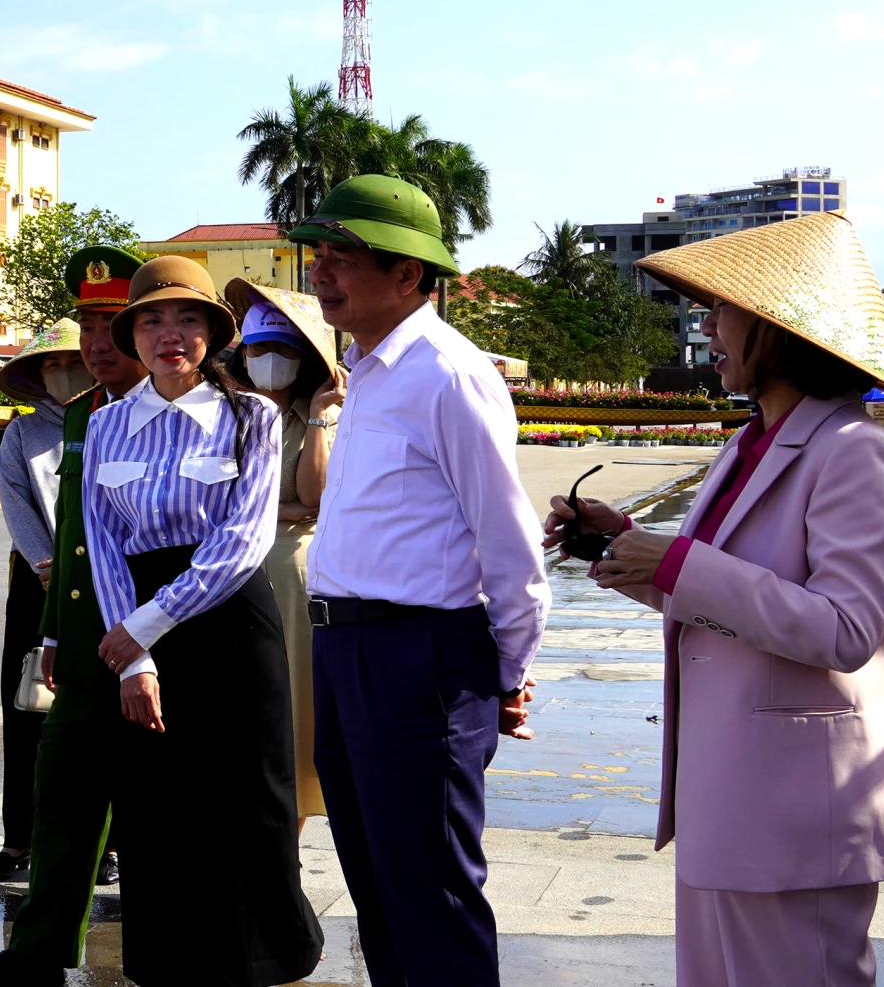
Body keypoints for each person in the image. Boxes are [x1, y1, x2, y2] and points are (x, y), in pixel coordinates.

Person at [549, 211, 884, 987]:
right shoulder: (748, 442)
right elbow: (720, 599)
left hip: (796, 812)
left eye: (722, 308)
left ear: (780, 325)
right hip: (728, 797)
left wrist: (678, 563)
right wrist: (624, 544)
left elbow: (844, 628)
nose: (707, 325)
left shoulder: (854, 452)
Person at [287, 175, 548, 987]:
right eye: (318, 254)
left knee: (432, 895)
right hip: (345, 650)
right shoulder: (365, 372)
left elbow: (510, 548)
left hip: (418, 656)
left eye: (343, 256)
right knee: (378, 886)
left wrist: (505, 674)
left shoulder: (447, 374)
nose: (321, 271)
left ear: (407, 273)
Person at [87, 255, 322, 987]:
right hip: (137, 628)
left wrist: (146, 625)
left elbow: (243, 542)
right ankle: (167, 956)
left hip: (231, 620)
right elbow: (103, 543)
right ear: (132, 335)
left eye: (188, 318)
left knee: (249, 791)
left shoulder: (251, 417)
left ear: (214, 334)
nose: (171, 334)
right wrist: (133, 658)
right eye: (152, 320)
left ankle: (262, 954)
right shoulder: (106, 425)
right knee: (155, 796)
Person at [0, 245, 145, 987]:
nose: (93, 344)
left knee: (158, 795)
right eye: (86, 326)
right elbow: (73, 533)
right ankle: (35, 954)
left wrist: (146, 643)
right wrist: (57, 627)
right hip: (79, 621)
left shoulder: (204, 414)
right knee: (62, 784)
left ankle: (176, 953)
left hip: (156, 628)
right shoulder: (79, 419)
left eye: (111, 325)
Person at [224, 280, 346, 826]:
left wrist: (317, 416)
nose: (269, 359)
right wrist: (284, 508)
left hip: (291, 573)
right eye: (259, 348)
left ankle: (287, 827)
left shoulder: (324, 416)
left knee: (292, 699)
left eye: (283, 349)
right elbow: (211, 502)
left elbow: (316, 499)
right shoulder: (223, 414)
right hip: (226, 568)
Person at [0, 318, 93, 883]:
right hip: (37, 580)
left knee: (99, 712)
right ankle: (18, 840)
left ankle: (106, 846)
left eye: (74, 361)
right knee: (25, 709)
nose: (64, 372)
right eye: (53, 364)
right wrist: (49, 567)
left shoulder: (111, 420)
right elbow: (17, 505)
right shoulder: (22, 434)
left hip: (103, 580)